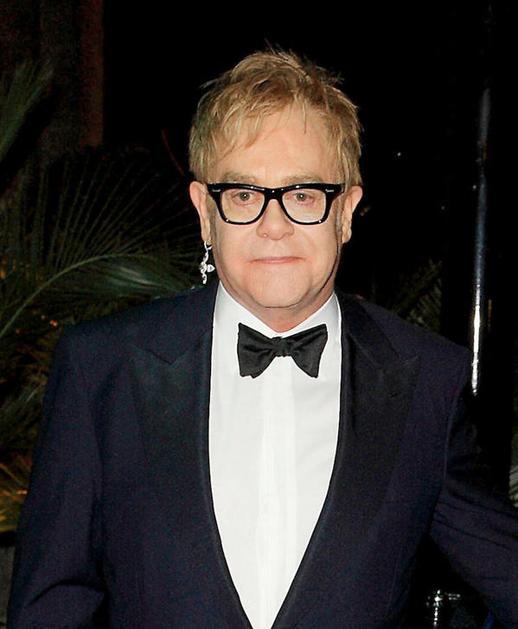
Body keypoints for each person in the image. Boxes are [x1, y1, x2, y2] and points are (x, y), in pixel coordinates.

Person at [7, 49, 518, 628]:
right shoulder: (102, 369)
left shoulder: (428, 382)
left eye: (302, 195)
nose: (274, 225)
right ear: (205, 212)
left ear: (346, 212)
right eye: (245, 195)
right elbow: (49, 608)